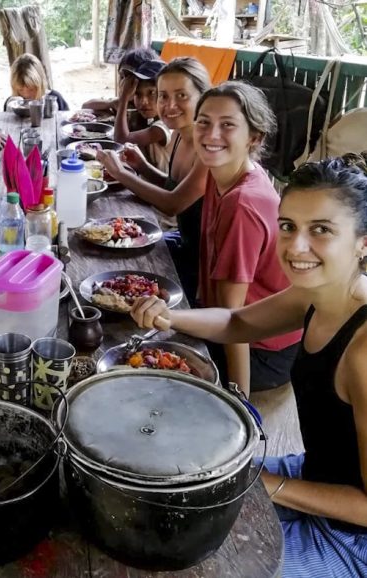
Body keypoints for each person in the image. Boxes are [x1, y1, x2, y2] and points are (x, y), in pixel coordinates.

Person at [131, 154, 367, 577]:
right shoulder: (317, 292)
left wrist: (266, 485)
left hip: (353, 538)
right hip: (314, 474)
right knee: (170, 492)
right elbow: (238, 321)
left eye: (322, 230)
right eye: (289, 226)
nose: (296, 247)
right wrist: (170, 317)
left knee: (203, 562)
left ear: (363, 242)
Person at [193, 81, 300, 395]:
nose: (212, 135)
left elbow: (236, 320)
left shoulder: (243, 203)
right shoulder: (223, 173)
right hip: (234, 324)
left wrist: (238, 399)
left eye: (228, 125)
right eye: (204, 123)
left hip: (263, 351)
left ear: (254, 137)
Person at [97, 57, 211, 304]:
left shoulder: (208, 148)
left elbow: (173, 203)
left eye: (182, 96)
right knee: (111, 255)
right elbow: (175, 186)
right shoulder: (182, 136)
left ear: (203, 97)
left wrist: (122, 173)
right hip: (183, 242)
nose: (170, 105)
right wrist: (143, 167)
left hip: (203, 264)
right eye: (163, 96)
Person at [111, 58, 171, 173]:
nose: (144, 101)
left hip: (159, 188)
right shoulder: (146, 118)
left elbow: (121, 140)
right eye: (138, 94)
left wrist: (123, 99)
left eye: (152, 93)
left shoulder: (164, 127)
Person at [81, 46, 159, 123]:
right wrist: (110, 103)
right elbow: (85, 106)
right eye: (122, 77)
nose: (123, 82)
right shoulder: (120, 101)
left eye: (129, 77)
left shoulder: (148, 105)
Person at [2, 53, 68, 112]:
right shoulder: (11, 104)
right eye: (20, 90)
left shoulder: (55, 99)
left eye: (31, 89)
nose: (26, 95)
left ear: (40, 85)